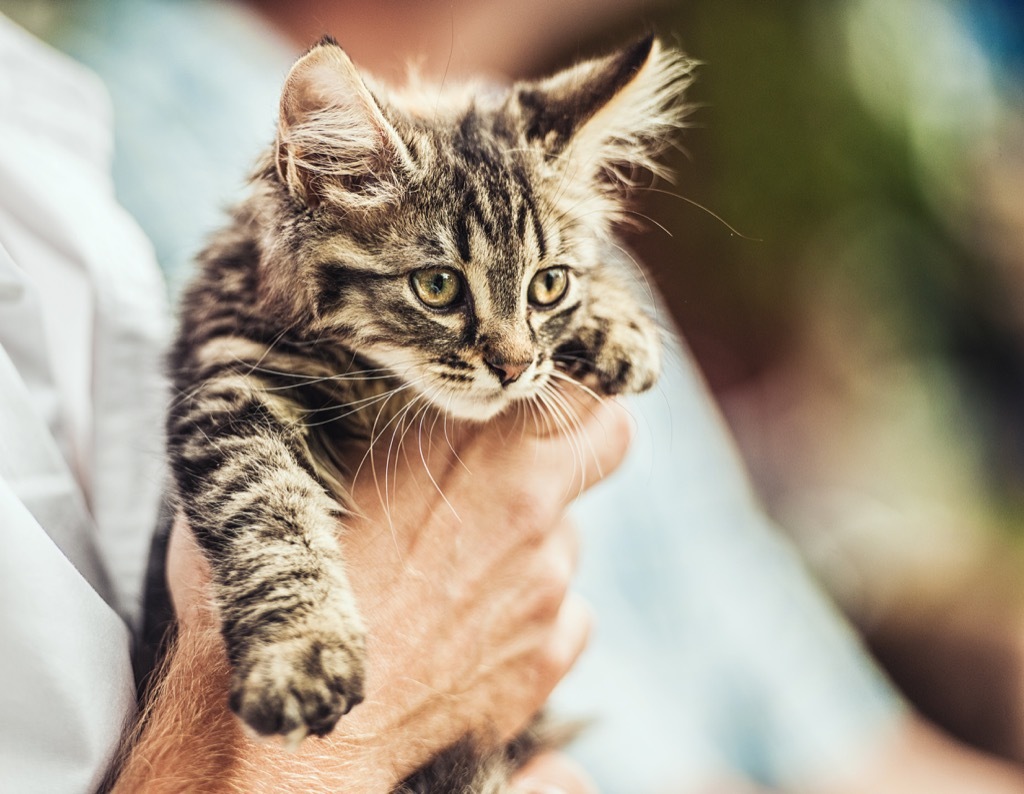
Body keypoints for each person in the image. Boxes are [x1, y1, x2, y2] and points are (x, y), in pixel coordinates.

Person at [4, 2, 1024, 792]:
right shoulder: (149, 174)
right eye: (448, 289)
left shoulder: (538, 195)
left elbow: (838, 736)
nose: (508, 350)